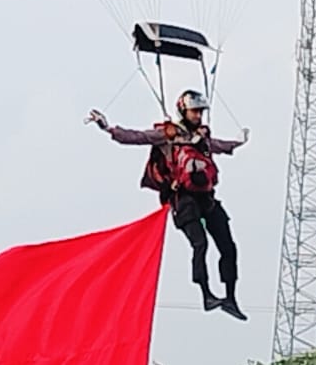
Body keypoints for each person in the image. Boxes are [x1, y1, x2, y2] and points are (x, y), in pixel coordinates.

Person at [89, 90, 250, 319]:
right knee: (200, 243)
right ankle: (206, 294)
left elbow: (216, 145)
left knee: (228, 247)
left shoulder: (201, 136)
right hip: (183, 199)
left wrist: (237, 142)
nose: (198, 116)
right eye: (195, 111)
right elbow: (136, 137)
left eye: (201, 112)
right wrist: (108, 128)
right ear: (184, 111)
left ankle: (231, 298)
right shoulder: (167, 134)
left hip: (207, 198)